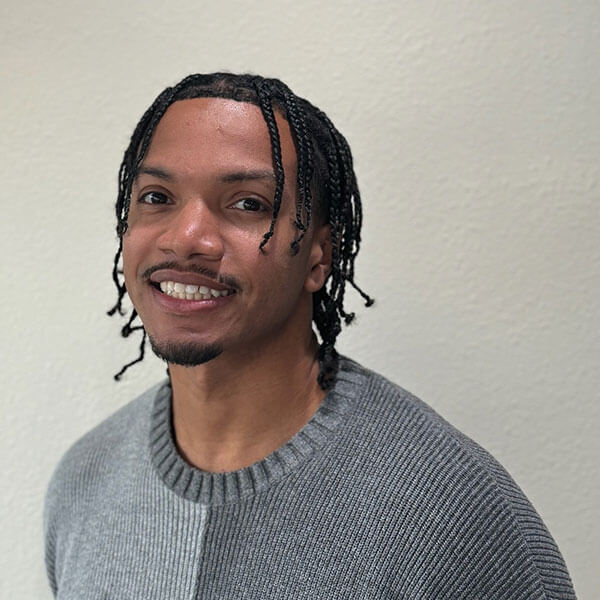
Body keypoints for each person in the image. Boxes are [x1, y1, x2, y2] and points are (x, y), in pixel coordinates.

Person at [44, 73, 577, 599]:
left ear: (320, 255)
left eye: (248, 203)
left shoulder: (449, 511)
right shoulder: (84, 481)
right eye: (157, 196)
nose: (186, 238)